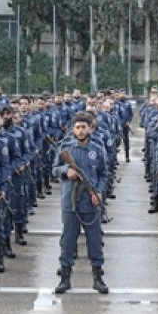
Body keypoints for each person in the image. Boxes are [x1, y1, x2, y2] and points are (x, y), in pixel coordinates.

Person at [53, 111, 110, 294]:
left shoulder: (97, 149)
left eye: (83, 127)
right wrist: (65, 171)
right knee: (68, 241)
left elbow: (104, 174)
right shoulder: (65, 148)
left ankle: (98, 277)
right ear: (73, 129)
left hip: (90, 202)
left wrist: (99, 192)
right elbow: (54, 169)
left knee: (95, 241)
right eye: (77, 127)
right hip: (70, 202)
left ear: (89, 129)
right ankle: (65, 278)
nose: (80, 130)